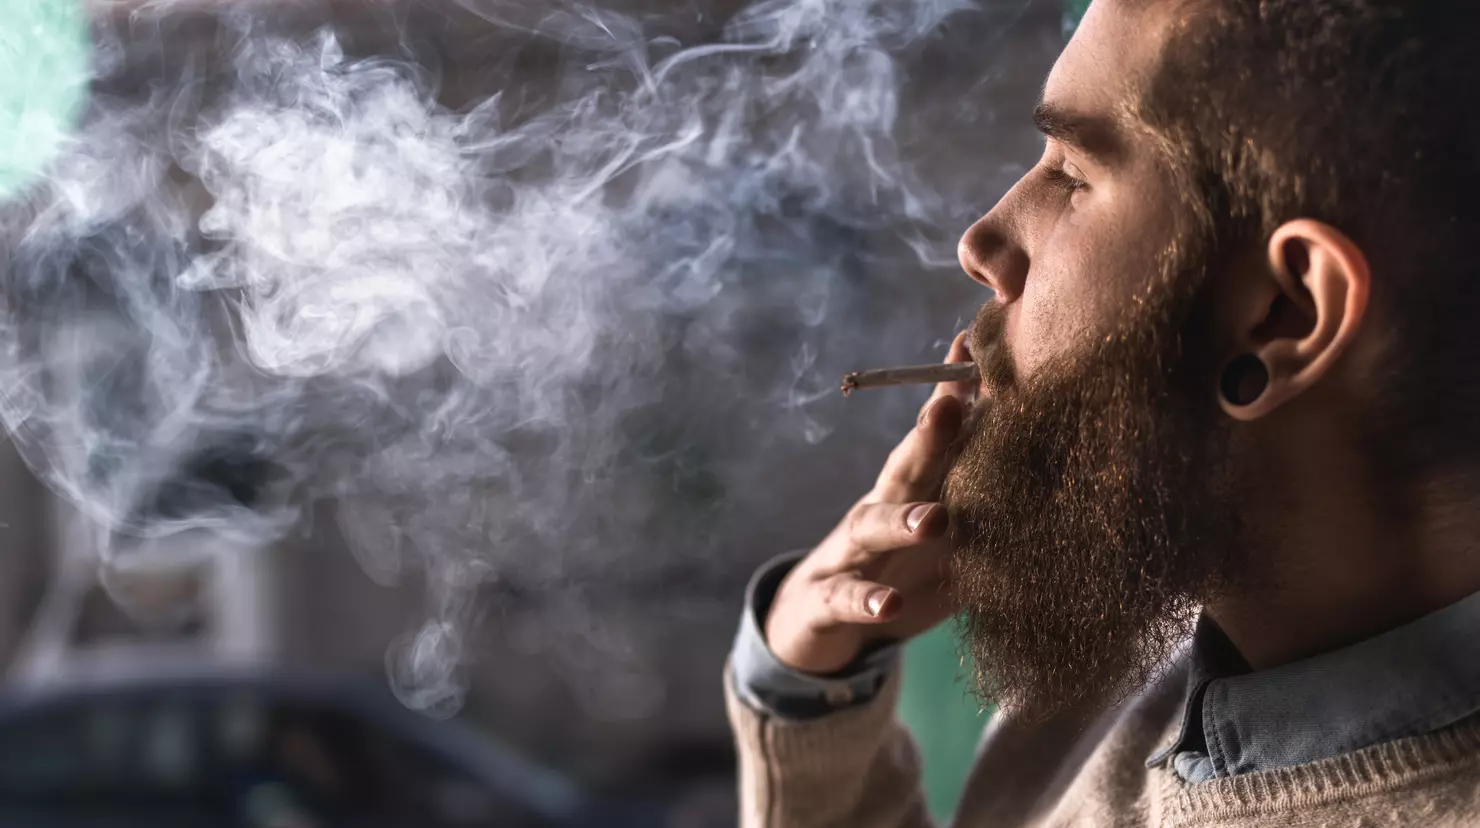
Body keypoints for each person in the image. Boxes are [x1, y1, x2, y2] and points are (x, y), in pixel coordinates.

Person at [724, 0, 1480, 825]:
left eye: (1074, 174)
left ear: (1286, 315)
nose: (982, 244)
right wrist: (806, 693)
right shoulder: (1114, 696)